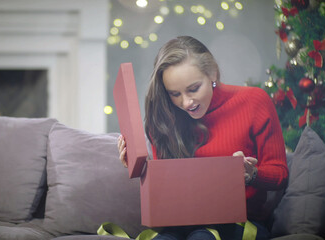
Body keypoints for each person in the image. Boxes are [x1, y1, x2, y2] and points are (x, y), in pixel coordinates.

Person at [117, 36, 288, 240]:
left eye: (193, 89)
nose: (186, 102)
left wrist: (252, 174)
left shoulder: (254, 101)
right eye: (175, 94)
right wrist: (140, 168)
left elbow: (280, 175)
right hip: (182, 225)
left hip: (240, 224)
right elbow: (169, 191)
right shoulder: (165, 117)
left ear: (212, 73)